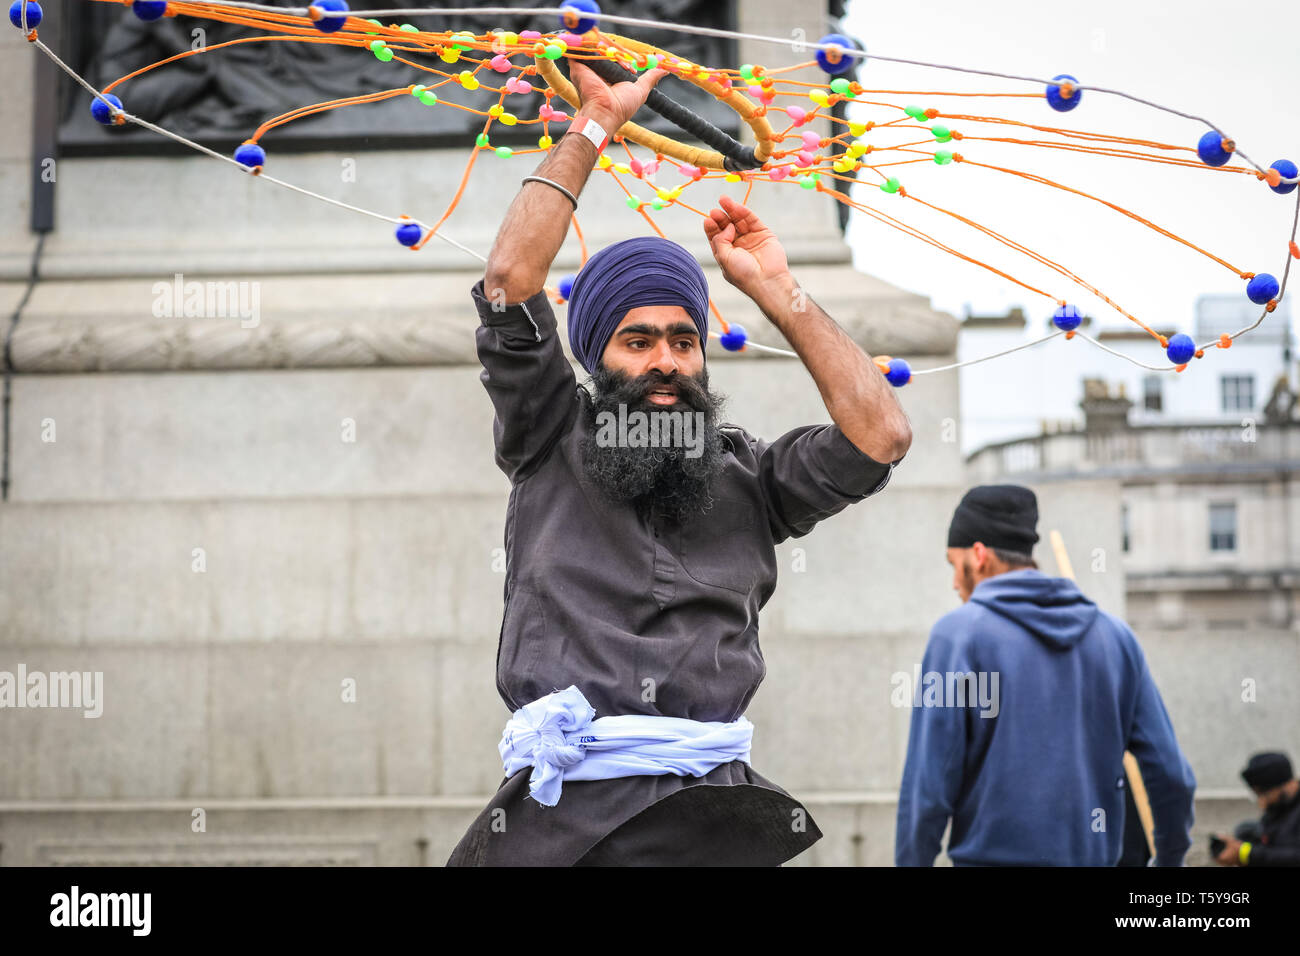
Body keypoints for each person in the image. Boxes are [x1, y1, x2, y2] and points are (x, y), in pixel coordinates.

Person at [446, 58, 912, 866]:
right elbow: (509, 281)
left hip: (714, 823)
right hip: (564, 830)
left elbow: (881, 435)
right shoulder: (548, 436)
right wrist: (593, 125)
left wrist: (778, 289)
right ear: (597, 359)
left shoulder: (754, 480)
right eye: (639, 340)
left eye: (683, 339)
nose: (666, 359)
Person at [895, 484, 1197, 866]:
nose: (956, 583)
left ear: (979, 555)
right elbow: (1172, 775)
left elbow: (927, 788)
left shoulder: (957, 637)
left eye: (955, 566)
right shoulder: (1115, 638)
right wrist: (1169, 859)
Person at [1213, 751, 1300, 866]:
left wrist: (1246, 853)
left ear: (1286, 785)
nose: (1261, 802)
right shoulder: (1278, 809)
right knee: (1245, 830)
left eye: (1264, 794)